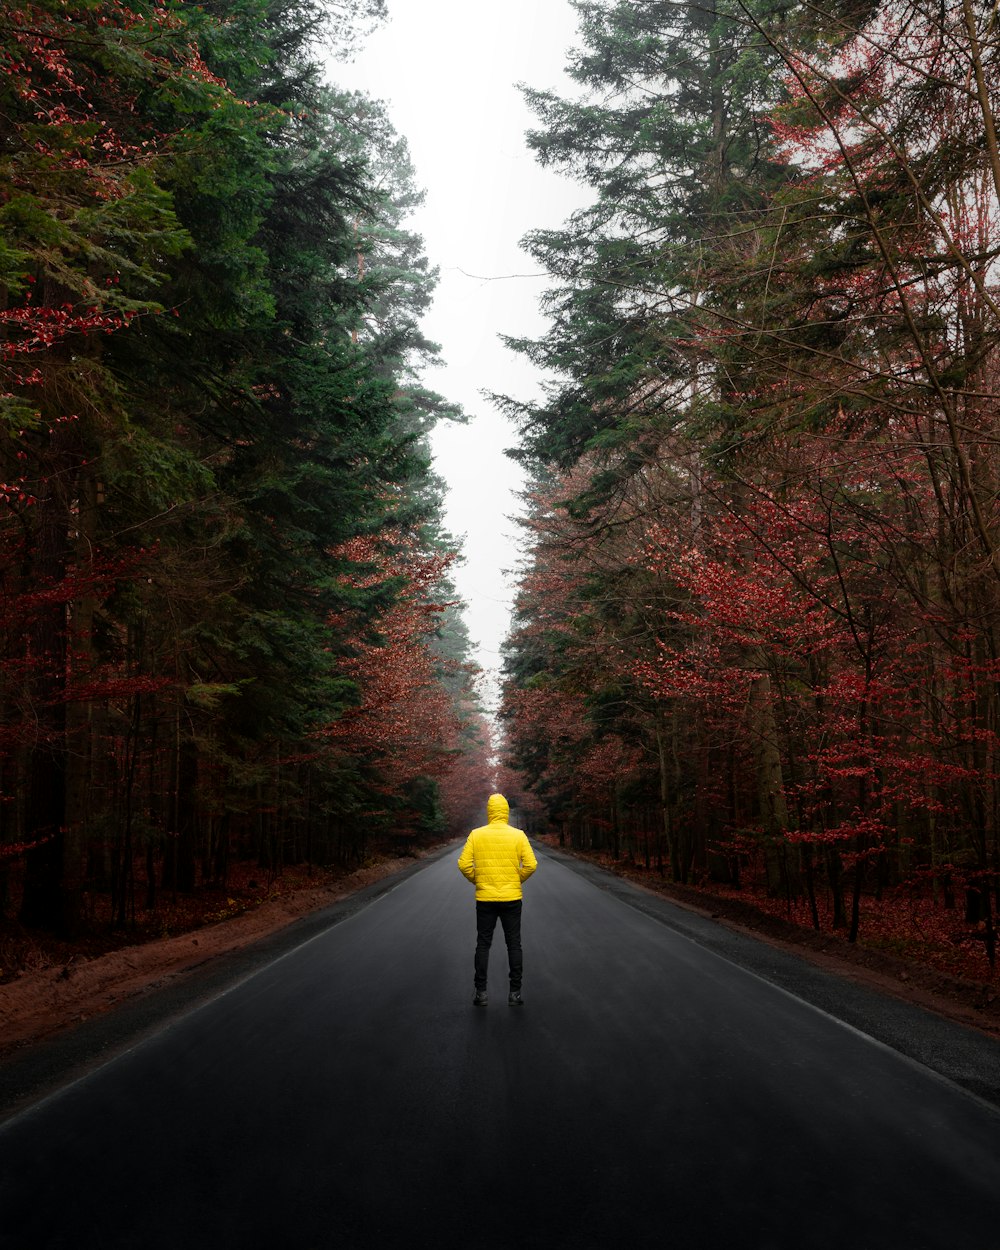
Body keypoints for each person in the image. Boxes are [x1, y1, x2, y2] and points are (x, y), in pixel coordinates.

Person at [458, 793, 538, 1006]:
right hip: (512, 898)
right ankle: (515, 994)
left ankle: (481, 993)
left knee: (483, 944)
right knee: (514, 944)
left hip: (485, 899)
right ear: (506, 812)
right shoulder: (518, 835)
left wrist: (479, 880)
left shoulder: (476, 835)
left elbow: (463, 864)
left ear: (489, 811)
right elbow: (531, 865)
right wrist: (515, 880)